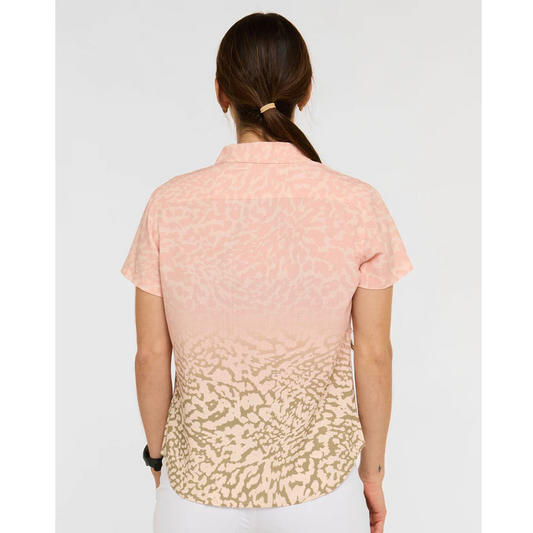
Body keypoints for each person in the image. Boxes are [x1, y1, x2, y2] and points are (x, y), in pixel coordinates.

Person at [121, 12, 414, 533]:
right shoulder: (357, 204)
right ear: (305, 91)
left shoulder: (169, 204)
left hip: (196, 492)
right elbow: (374, 354)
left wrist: (159, 460)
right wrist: (372, 473)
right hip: (320, 491)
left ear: (220, 93)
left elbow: (150, 356)